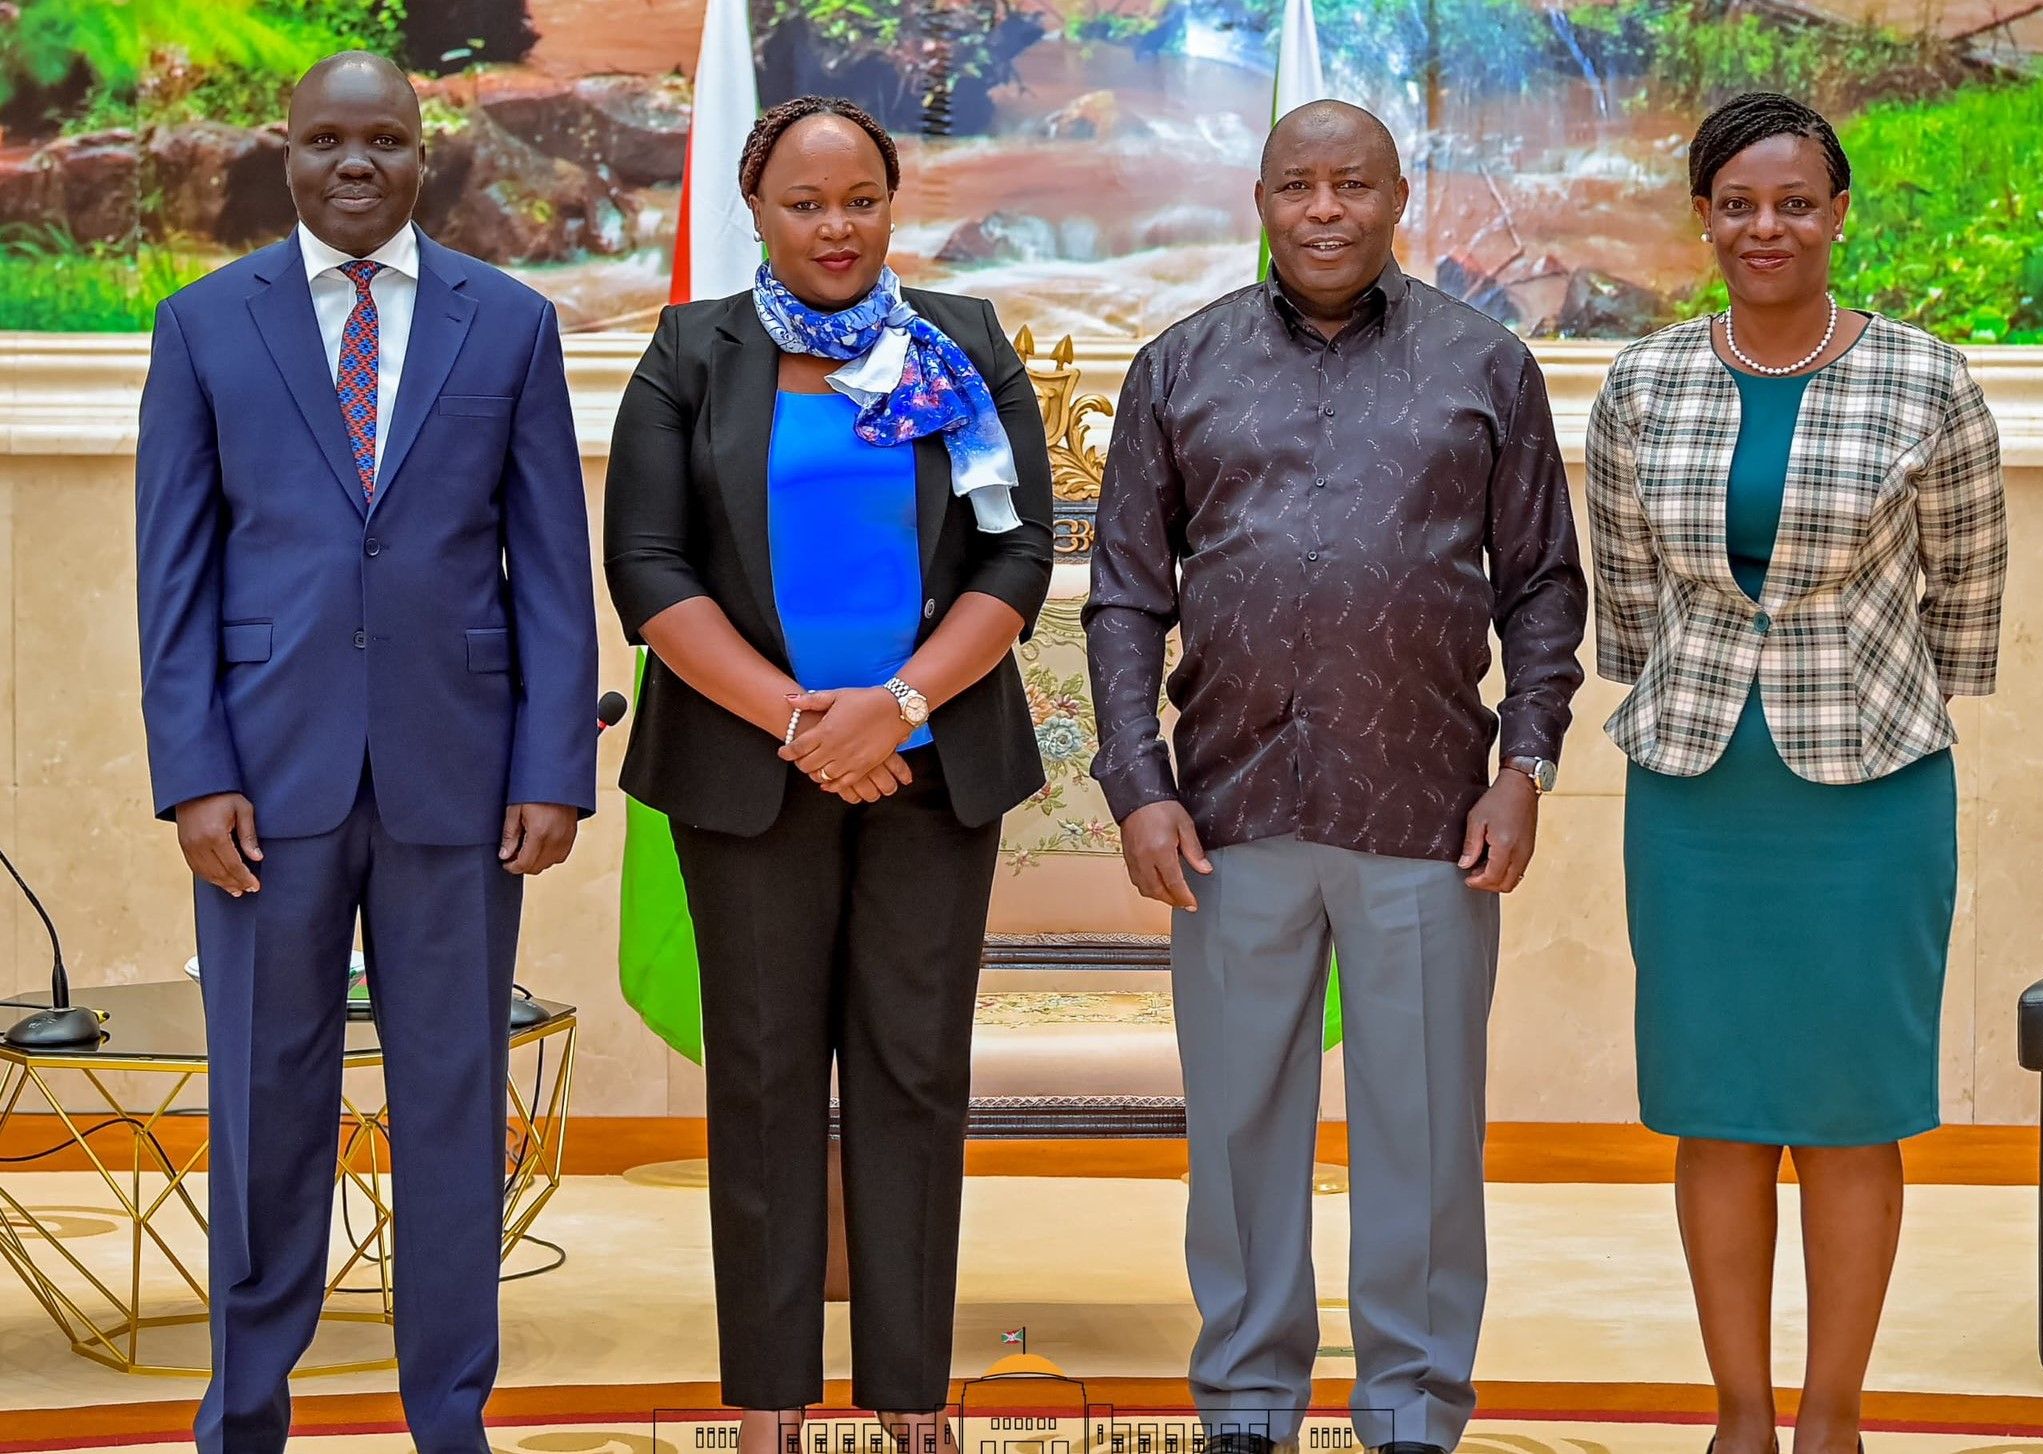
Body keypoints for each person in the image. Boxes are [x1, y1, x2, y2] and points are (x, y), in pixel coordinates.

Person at [1084, 100, 1587, 1454]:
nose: (1326, 209)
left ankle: (1413, 1407)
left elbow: (1543, 585)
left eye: (1353, 184)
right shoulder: (1177, 368)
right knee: (1243, 1130)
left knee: (1422, 1136)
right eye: (1299, 184)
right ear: (1257, 197)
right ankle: (1247, 1400)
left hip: (1426, 810)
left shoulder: (1487, 363)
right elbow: (1125, 598)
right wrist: (1138, 781)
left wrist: (1524, 760)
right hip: (1228, 812)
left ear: (1397, 196)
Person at [134, 52, 598, 1454]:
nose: (356, 164)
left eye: (384, 140)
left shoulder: (507, 324)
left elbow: (550, 569)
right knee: (268, 1102)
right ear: (286, 150)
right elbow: (176, 576)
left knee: (452, 1106)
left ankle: (448, 1416)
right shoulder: (205, 326)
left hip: (457, 784)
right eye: (329, 139)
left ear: (423, 153)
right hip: (263, 790)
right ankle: (247, 1412)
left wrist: (549, 767)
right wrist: (194, 771)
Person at [602, 95, 1054, 1454]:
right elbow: (650, 568)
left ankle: (915, 1396)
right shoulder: (692, 352)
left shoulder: (958, 345)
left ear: (892, 202)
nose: (836, 226)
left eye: (859, 198)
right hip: (750, 775)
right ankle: (770, 1402)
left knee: (916, 1073)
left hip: (934, 765)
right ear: (757, 208)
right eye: (807, 203)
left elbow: (1012, 558)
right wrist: (807, 724)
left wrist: (899, 706)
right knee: (762, 1074)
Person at [1585, 92, 2006, 1454]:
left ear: (1837, 214)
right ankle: (1742, 1418)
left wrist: (1864, 694)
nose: (1768, 225)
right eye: (1739, 203)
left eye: (1796, 202)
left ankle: (1831, 1416)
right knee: (1716, 1108)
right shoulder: (1642, 386)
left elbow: (1968, 601)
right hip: (1700, 792)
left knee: (1845, 1110)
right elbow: (1629, 607)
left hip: (1873, 794)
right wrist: (1709, 689)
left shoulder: (1929, 380)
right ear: (1704, 217)